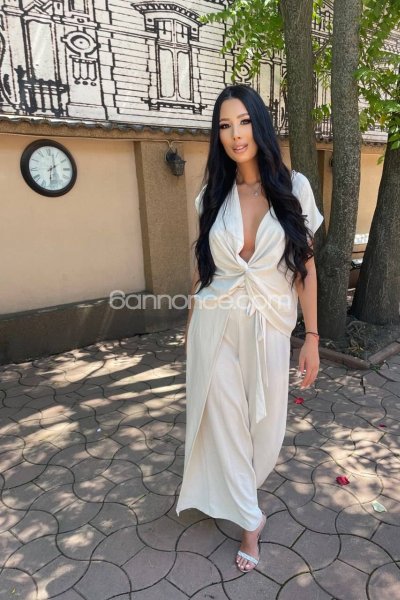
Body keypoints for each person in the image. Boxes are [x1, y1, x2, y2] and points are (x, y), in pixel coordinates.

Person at [176, 84, 324, 573]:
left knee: (263, 427)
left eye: (243, 122)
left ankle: (240, 498)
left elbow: (305, 266)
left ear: (259, 125)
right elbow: (203, 270)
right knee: (224, 419)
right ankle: (249, 522)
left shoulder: (295, 188)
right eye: (224, 125)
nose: (235, 134)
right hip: (214, 323)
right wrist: (190, 324)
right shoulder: (211, 195)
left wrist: (312, 339)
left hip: (270, 326)